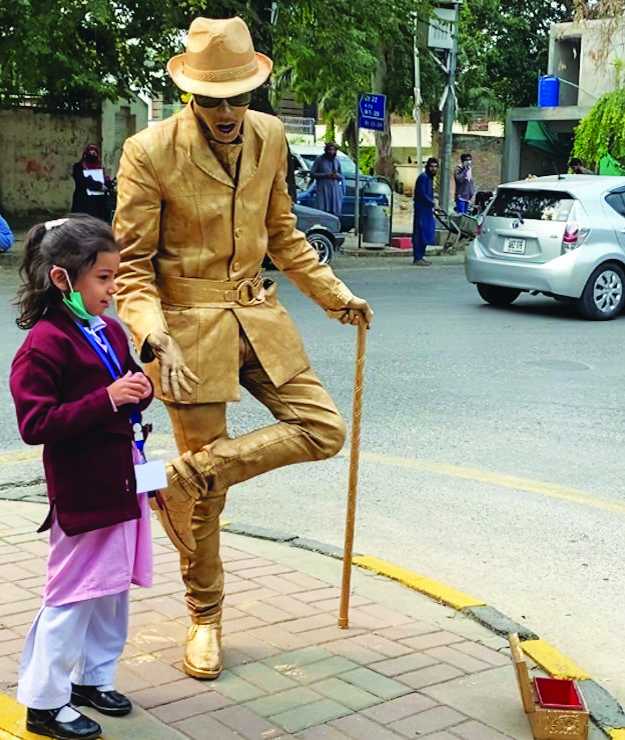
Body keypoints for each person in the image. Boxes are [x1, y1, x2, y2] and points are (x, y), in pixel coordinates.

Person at [112, 15, 372, 682]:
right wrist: (150, 333)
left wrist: (332, 293)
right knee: (211, 507)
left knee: (322, 429)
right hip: (186, 332)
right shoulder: (149, 151)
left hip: (258, 314)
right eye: (212, 98)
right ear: (189, 95)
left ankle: (185, 477)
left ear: (253, 91)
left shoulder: (271, 135)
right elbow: (132, 270)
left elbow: (282, 232)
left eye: (237, 97)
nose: (227, 111)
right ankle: (204, 617)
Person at [10, 215, 156, 740]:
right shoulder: (45, 344)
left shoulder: (109, 330)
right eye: (103, 278)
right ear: (62, 279)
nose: (113, 290)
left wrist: (139, 388)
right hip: (83, 489)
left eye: (115, 277)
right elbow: (36, 424)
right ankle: (44, 702)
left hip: (123, 479)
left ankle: (93, 678)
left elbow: (123, 390)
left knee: (112, 589)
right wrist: (108, 399)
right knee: (71, 594)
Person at [71, 145, 111, 223]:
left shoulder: (100, 167)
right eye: (90, 153)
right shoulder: (78, 167)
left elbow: (106, 182)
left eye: (94, 153)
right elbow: (81, 180)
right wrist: (98, 185)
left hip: (97, 202)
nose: (92, 155)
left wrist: (107, 182)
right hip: (82, 201)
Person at [412, 158, 439, 266]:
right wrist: (433, 204)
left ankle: (421, 256)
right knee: (420, 233)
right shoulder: (423, 178)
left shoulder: (429, 178)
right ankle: (418, 257)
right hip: (421, 209)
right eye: (431, 166)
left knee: (426, 233)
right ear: (427, 167)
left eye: (435, 167)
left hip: (426, 209)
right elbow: (422, 195)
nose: (433, 169)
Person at [310, 141, 344, 220]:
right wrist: (326, 175)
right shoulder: (319, 160)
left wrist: (337, 176)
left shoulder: (337, 161)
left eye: (333, 150)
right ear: (326, 150)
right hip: (323, 188)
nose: (331, 152)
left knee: (334, 209)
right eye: (329, 150)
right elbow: (313, 174)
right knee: (322, 209)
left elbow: (341, 175)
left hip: (334, 189)